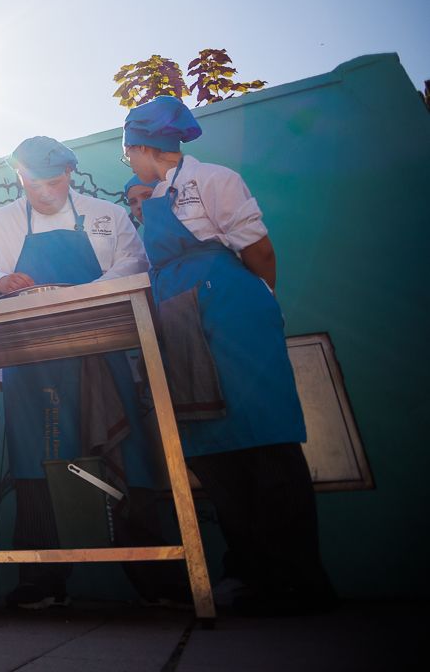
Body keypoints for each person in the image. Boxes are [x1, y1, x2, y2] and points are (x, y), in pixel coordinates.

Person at [124, 96, 334, 615]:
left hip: (232, 319)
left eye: (127, 151)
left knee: (267, 442)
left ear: (142, 147)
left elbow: (258, 251)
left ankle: (303, 581)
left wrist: (257, 307)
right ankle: (253, 576)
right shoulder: (151, 196)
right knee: (213, 450)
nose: (126, 160)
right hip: (181, 325)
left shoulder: (215, 179)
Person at [0, 136, 153, 610]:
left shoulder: (107, 214)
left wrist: (83, 294)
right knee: (36, 466)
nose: (44, 192)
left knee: (126, 455)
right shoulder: (0, 221)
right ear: (18, 179)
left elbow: (135, 261)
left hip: (101, 352)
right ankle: (42, 581)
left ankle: (156, 578)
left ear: (69, 174)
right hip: (29, 362)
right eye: (32, 182)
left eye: (53, 181)